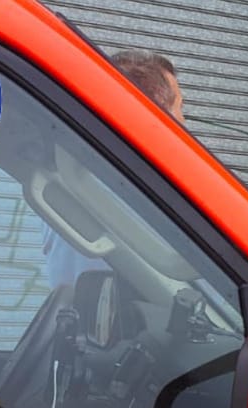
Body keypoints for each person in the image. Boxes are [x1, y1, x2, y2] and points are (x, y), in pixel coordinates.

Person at [43, 49, 184, 290]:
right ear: (155, 119)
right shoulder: (145, 197)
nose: (184, 124)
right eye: (180, 109)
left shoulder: (75, 178)